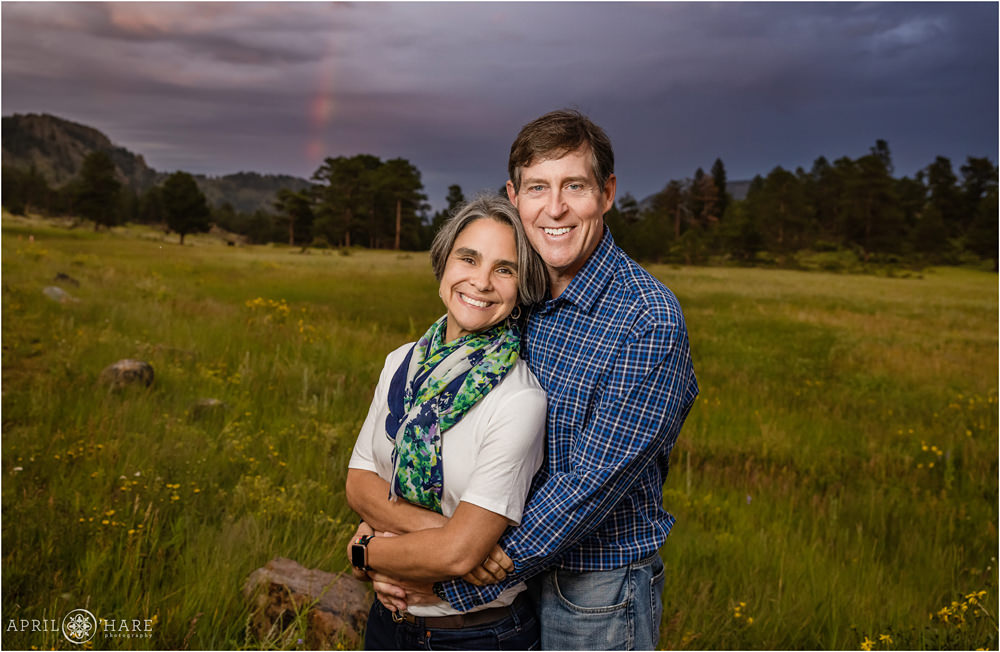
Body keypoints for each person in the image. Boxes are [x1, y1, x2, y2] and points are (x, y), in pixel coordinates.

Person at [375, 109, 699, 650]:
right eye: (537, 188)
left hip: (592, 590)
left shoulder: (648, 320)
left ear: (608, 192)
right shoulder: (513, 298)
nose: (555, 208)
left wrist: (449, 572)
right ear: (513, 196)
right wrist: (397, 544)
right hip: (507, 587)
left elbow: (590, 485)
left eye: (575, 185)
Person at [345, 195, 550, 650]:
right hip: (388, 621)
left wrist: (364, 552)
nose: (480, 281)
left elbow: (459, 554)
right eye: (468, 258)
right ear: (443, 263)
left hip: (475, 634)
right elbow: (359, 482)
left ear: (522, 287)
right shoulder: (402, 362)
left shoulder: (519, 398)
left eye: (505, 268)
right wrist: (451, 536)